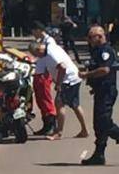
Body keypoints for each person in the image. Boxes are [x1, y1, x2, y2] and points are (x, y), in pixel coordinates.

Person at [29, 41, 89, 140]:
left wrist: (58, 83)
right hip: (74, 77)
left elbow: (62, 67)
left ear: (39, 49)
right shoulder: (50, 47)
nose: (38, 57)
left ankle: (59, 133)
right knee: (75, 105)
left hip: (68, 80)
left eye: (36, 54)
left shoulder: (51, 54)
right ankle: (84, 130)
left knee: (59, 104)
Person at [79, 26, 119, 165]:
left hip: (107, 91)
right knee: (99, 124)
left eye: (91, 37)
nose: (89, 40)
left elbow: (104, 70)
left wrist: (86, 75)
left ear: (100, 36)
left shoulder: (105, 51)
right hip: (101, 90)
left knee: (104, 121)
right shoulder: (97, 51)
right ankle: (99, 155)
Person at [31, 21, 58, 136]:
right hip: (39, 73)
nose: (33, 34)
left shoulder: (49, 42)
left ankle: (52, 125)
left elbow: (52, 57)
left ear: (38, 30)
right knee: (40, 101)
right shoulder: (41, 41)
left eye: (33, 32)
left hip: (44, 74)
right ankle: (46, 125)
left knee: (46, 100)